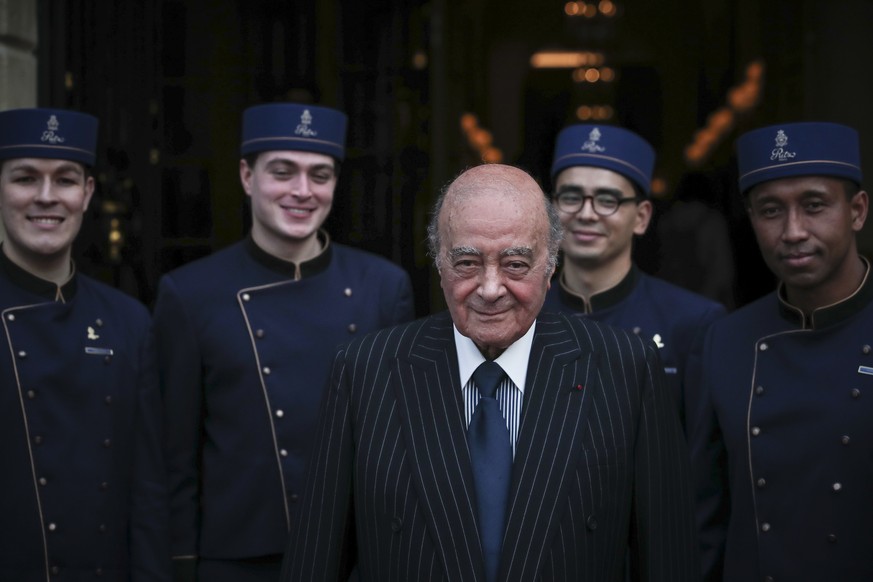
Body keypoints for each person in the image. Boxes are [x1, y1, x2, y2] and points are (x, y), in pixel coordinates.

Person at [281, 163, 699, 582]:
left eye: (516, 264)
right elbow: (315, 561)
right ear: (439, 263)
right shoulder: (364, 372)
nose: (490, 288)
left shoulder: (626, 369)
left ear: (550, 266)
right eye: (467, 263)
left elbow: (667, 560)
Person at [152, 102, 414, 582]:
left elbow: (401, 447)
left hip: (355, 560)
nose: (302, 191)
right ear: (247, 176)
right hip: (238, 559)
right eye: (282, 172)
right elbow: (176, 455)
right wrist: (181, 563)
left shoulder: (383, 286)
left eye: (320, 174)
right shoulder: (190, 294)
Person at [690, 121, 872, 581]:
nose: (793, 231)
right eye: (771, 211)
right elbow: (705, 513)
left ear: (857, 211)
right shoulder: (726, 340)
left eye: (814, 206)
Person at [0, 108, 169, 580]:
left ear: (88, 193)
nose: (47, 197)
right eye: (26, 178)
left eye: (66, 180)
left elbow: (148, 490)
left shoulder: (129, 321)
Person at [543, 124, 726, 427]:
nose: (587, 214)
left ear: (641, 218)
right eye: (571, 197)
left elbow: (701, 458)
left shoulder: (692, 323)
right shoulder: (524, 316)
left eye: (607, 200)